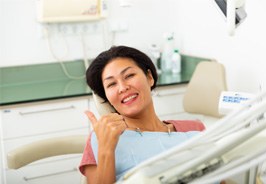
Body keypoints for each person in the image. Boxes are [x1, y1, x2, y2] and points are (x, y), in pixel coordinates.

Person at [79, 46, 205, 184]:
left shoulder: (195, 129)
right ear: (107, 97)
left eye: (129, 76)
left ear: (149, 77)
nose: (122, 88)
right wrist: (106, 150)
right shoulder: (101, 138)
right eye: (112, 84)